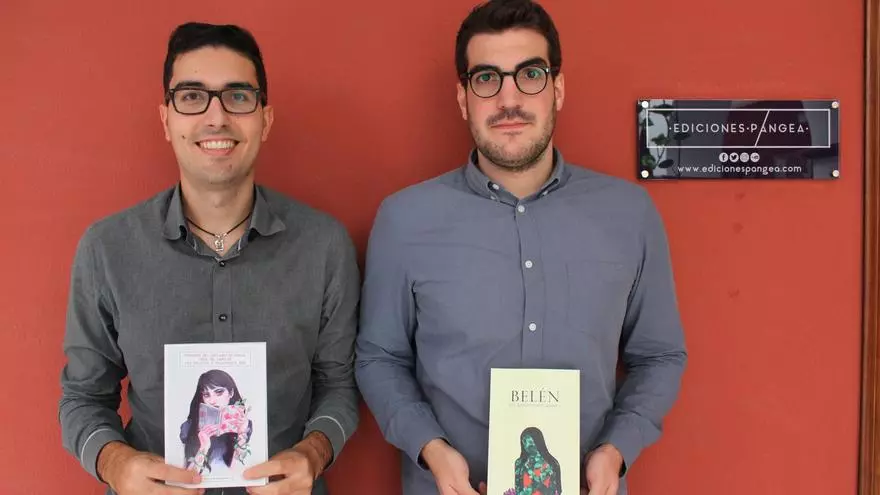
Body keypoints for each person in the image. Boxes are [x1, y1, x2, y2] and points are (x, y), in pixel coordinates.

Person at [354, 1, 687, 494]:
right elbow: (378, 358)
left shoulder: (629, 215)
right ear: (464, 98)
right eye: (487, 78)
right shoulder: (404, 220)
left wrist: (616, 451)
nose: (508, 99)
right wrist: (431, 449)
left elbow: (659, 355)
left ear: (558, 89)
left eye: (530, 75)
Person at [58, 22, 360, 495]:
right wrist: (115, 464)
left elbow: (339, 385)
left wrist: (314, 452)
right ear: (166, 120)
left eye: (238, 96)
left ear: (265, 119)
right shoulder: (107, 249)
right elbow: (82, 397)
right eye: (192, 97)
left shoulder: (324, 245)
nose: (216, 117)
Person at [180, 370, 253, 475]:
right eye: (206, 395)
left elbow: (237, 473)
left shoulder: (243, 425)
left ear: (231, 393)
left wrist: (242, 435)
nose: (212, 401)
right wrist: (204, 447)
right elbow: (188, 476)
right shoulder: (189, 427)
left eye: (219, 392)